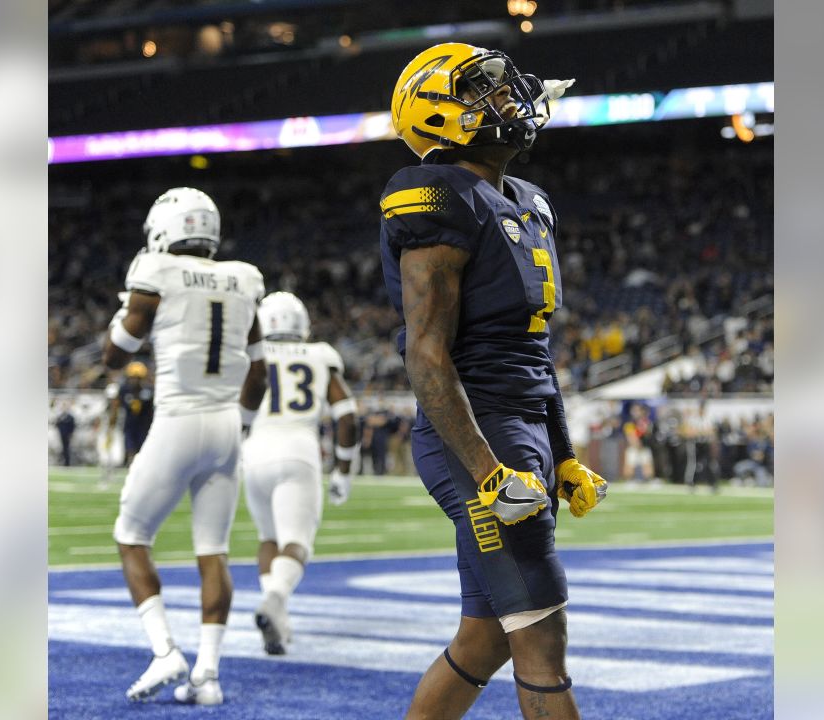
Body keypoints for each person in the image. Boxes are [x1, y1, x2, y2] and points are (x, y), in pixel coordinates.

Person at [379, 43, 608, 720]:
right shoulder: (435, 193)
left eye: (504, 89)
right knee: (542, 633)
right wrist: (485, 469)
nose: (509, 99)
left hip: (523, 423)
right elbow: (426, 353)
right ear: (439, 115)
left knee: (485, 639)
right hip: (477, 430)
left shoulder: (527, 200)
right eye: (485, 91)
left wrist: (562, 451)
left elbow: (531, 348)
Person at [103, 187, 268, 705]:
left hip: (178, 419)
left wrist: (122, 313)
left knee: (131, 535)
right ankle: (209, 677)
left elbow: (115, 353)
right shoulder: (246, 278)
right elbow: (259, 371)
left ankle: (163, 651)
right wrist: (239, 424)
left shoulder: (155, 272)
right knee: (213, 551)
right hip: (224, 426)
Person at [241, 291, 358, 655]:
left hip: (254, 450)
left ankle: (279, 616)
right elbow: (347, 414)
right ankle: (275, 601)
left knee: (268, 538)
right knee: (297, 542)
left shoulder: (250, 356)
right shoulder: (319, 354)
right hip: (298, 450)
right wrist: (344, 469)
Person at [54, 401, 76, 467]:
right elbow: (57, 425)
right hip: (60, 435)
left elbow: (72, 426)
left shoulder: (70, 417)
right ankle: (61, 461)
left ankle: (67, 462)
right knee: (60, 448)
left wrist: (71, 434)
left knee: (67, 448)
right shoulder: (60, 416)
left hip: (67, 435)